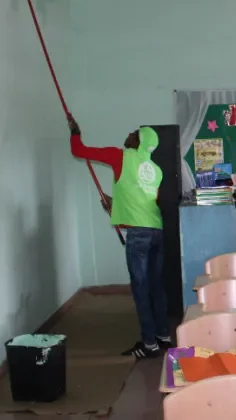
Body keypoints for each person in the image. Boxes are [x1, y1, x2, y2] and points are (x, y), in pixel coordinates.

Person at [67, 116, 171, 359]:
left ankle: (149, 344)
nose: (129, 134)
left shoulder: (120, 156)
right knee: (156, 286)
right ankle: (163, 336)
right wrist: (115, 206)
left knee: (140, 288)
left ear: (139, 141)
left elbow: (79, 150)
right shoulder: (156, 170)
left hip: (138, 235)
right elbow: (146, 202)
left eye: (134, 133)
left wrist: (75, 131)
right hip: (156, 230)